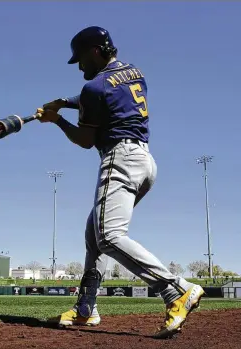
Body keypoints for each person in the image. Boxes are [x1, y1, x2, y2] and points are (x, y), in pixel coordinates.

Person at [41, 26, 205, 339]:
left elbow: (85, 140)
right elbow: (102, 95)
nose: (79, 67)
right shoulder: (133, 72)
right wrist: (64, 101)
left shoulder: (94, 87)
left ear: (95, 51)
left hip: (120, 159)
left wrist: (57, 120)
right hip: (145, 163)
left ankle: (175, 289)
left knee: (109, 236)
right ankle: (85, 308)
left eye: (80, 59)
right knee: (95, 234)